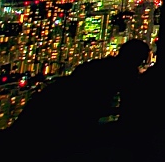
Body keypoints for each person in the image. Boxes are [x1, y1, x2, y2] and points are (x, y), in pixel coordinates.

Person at [13, 39, 149, 137]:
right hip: (61, 113)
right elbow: (128, 104)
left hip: (50, 102)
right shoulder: (125, 73)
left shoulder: (96, 66)